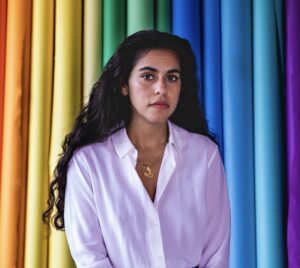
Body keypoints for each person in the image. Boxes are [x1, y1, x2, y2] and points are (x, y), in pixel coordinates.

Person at [43, 30, 231, 268]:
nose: (161, 88)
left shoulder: (205, 155)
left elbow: (216, 253)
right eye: (148, 76)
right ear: (124, 85)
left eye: (172, 78)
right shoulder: (88, 163)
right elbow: (91, 258)